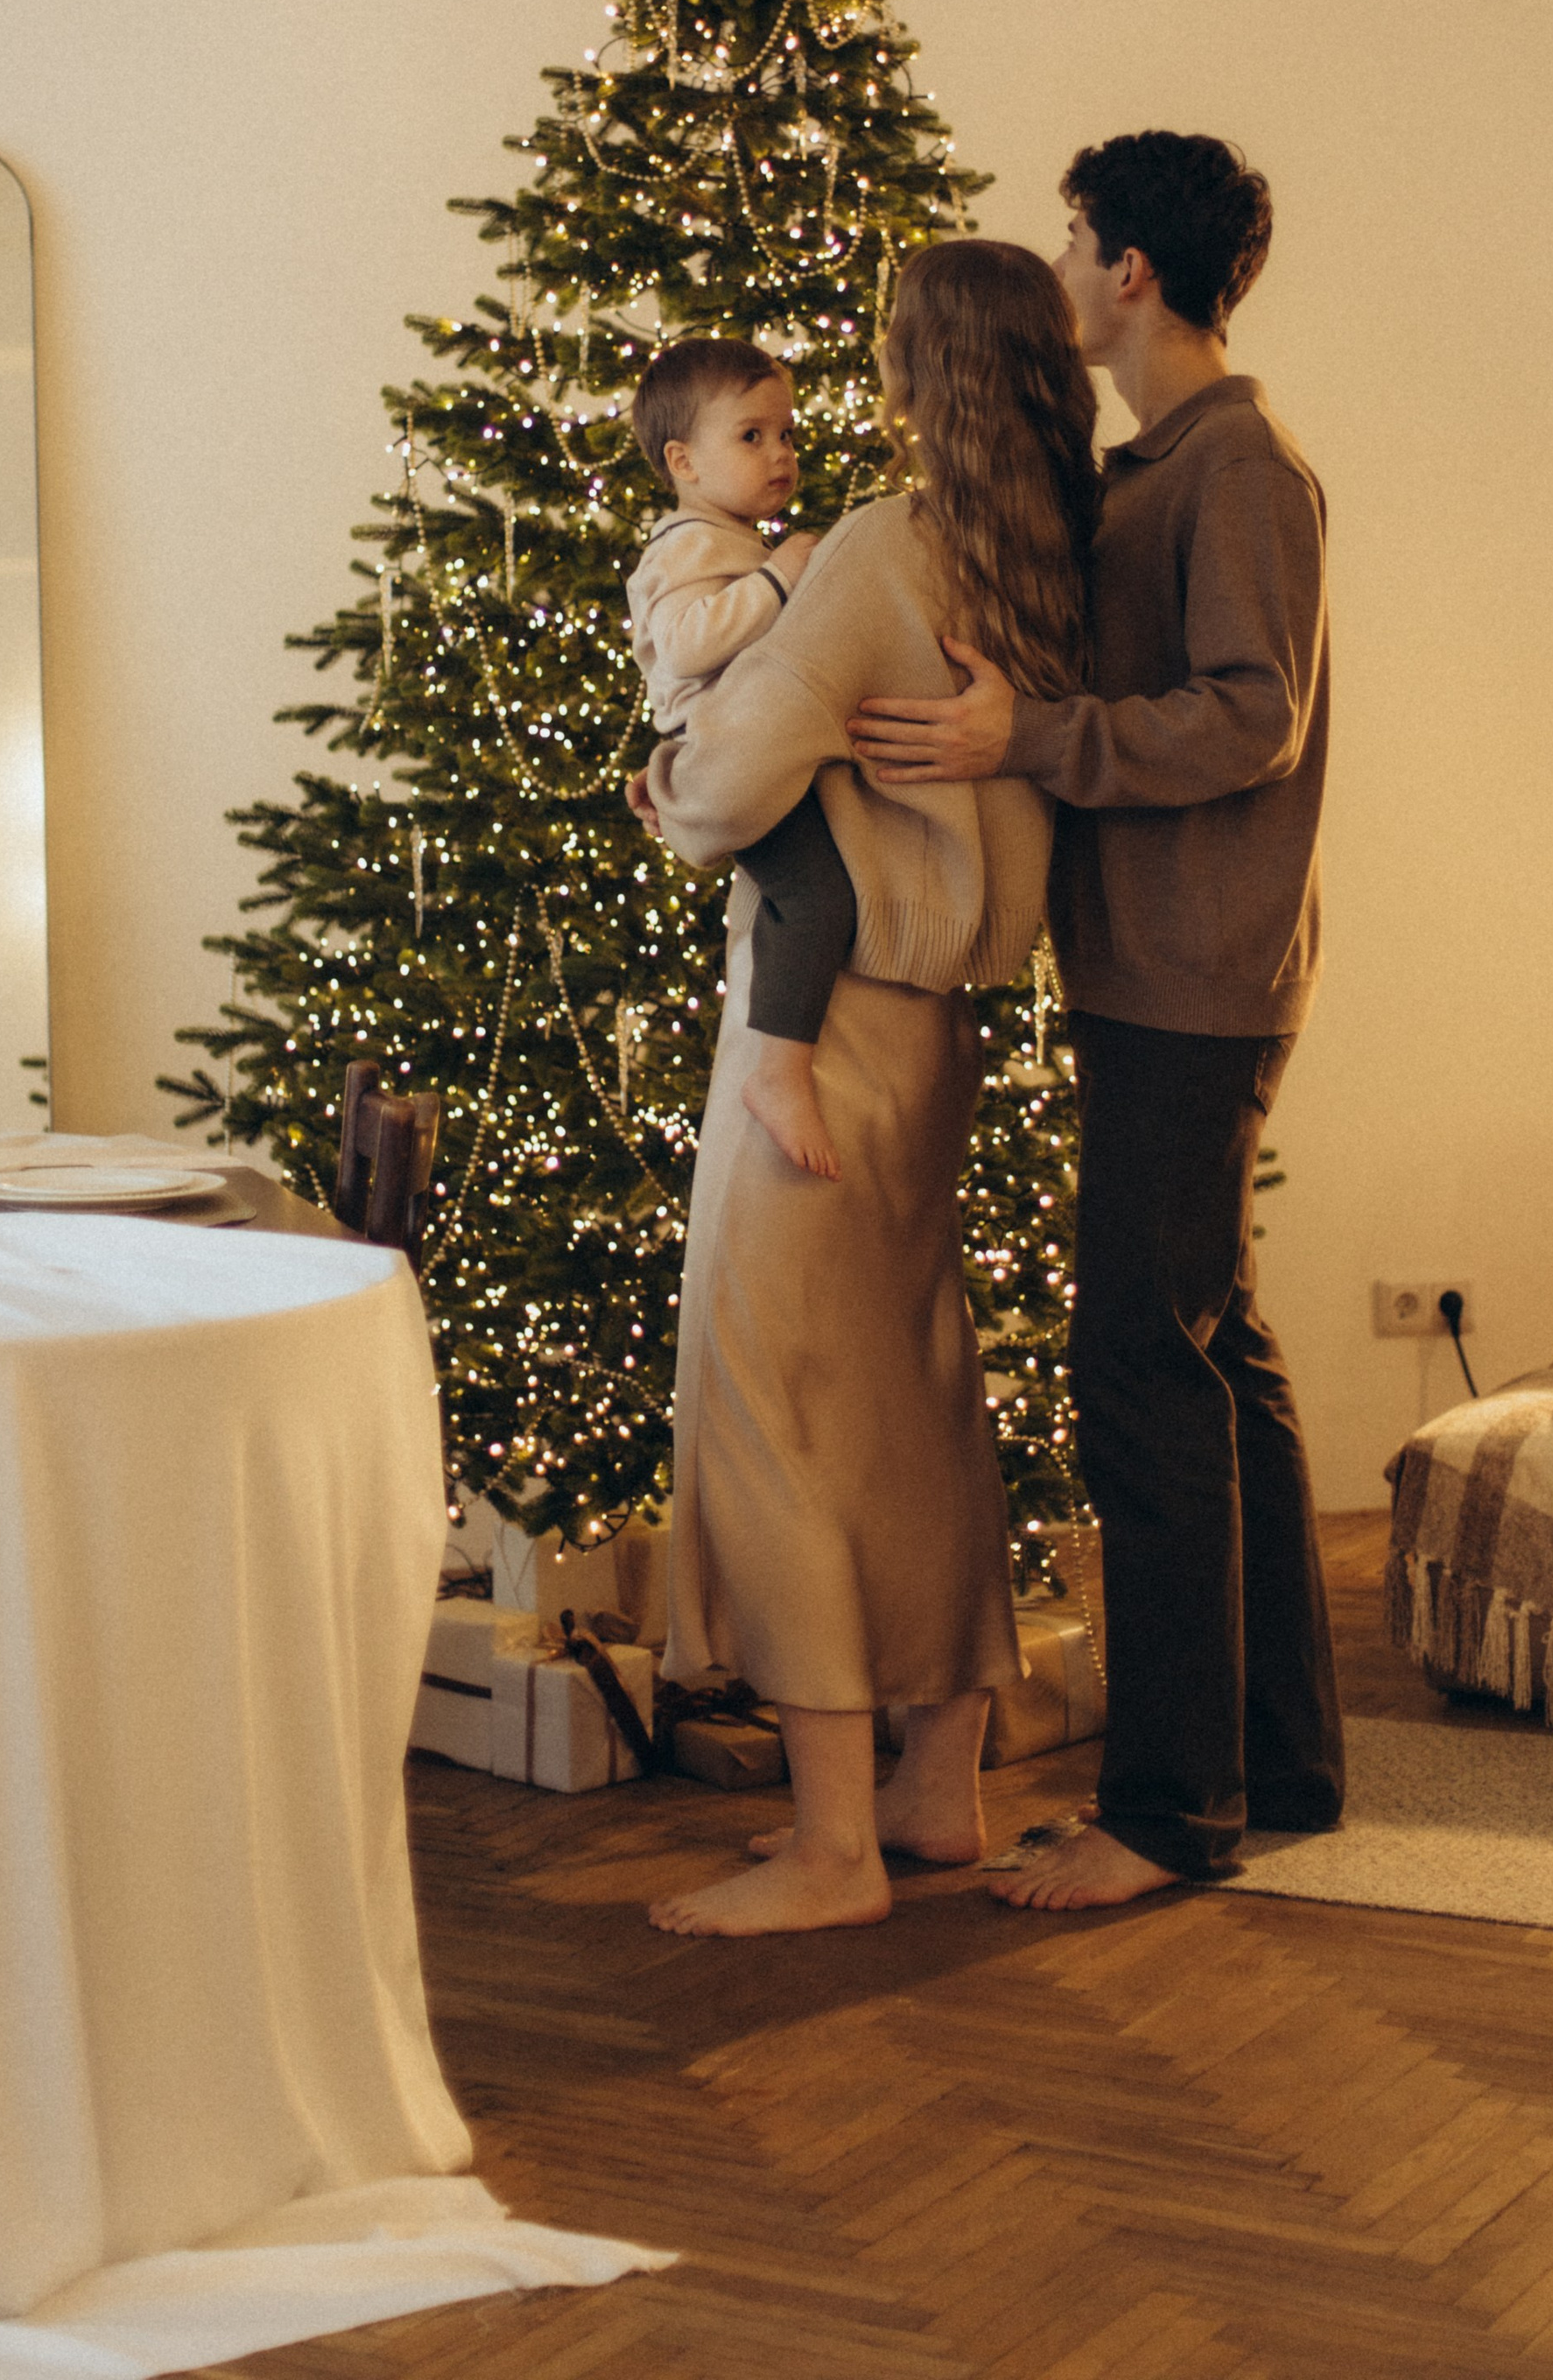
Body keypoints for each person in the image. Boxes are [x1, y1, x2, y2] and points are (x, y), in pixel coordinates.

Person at [849, 130, 1343, 1912]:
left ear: (1129, 271)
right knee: (1220, 1360)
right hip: (1159, 968)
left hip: (1193, 980)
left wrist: (1023, 743)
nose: (1054, 269)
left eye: (1069, 241)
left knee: (1137, 1370)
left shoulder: (1240, 472)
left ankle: (1162, 1814)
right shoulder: (1156, 469)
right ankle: (1275, 1766)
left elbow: (1245, 720)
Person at [631, 240, 1101, 1936]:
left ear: (926, 377)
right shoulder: (1051, 552)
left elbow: (728, 777)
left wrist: (665, 776)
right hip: (940, 1030)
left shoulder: (885, 549)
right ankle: (932, 1791)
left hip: (825, 1036)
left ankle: (834, 1851)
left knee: (775, 1412)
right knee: (912, 1396)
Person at [625, 339, 854, 1179]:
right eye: (752, 437)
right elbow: (685, 646)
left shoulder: (726, 537)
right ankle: (780, 1073)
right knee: (818, 895)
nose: (781, 455)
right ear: (682, 462)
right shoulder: (688, 543)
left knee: (817, 887)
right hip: (722, 754)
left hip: (751, 744)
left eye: (786, 435)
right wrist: (780, 581)